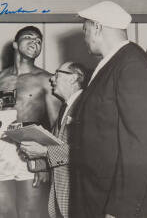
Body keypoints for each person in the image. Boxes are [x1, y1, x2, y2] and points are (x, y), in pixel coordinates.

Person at [72, 1, 147, 218]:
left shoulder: (131, 66)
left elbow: (140, 143)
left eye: (84, 30)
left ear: (97, 27)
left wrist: (121, 209)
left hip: (118, 204)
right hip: (98, 195)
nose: (84, 37)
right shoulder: (114, 64)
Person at [0, 26, 61, 218]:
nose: (35, 42)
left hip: (30, 149)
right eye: (29, 37)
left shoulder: (46, 80)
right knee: (3, 213)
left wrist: (44, 161)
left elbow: (56, 125)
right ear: (15, 44)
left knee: (31, 213)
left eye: (39, 41)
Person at [19, 61, 89, 218]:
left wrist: (43, 151)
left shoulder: (86, 107)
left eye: (57, 74)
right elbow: (58, 149)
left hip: (78, 197)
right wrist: (34, 157)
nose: (51, 79)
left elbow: (87, 151)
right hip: (61, 196)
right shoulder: (65, 107)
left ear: (73, 78)